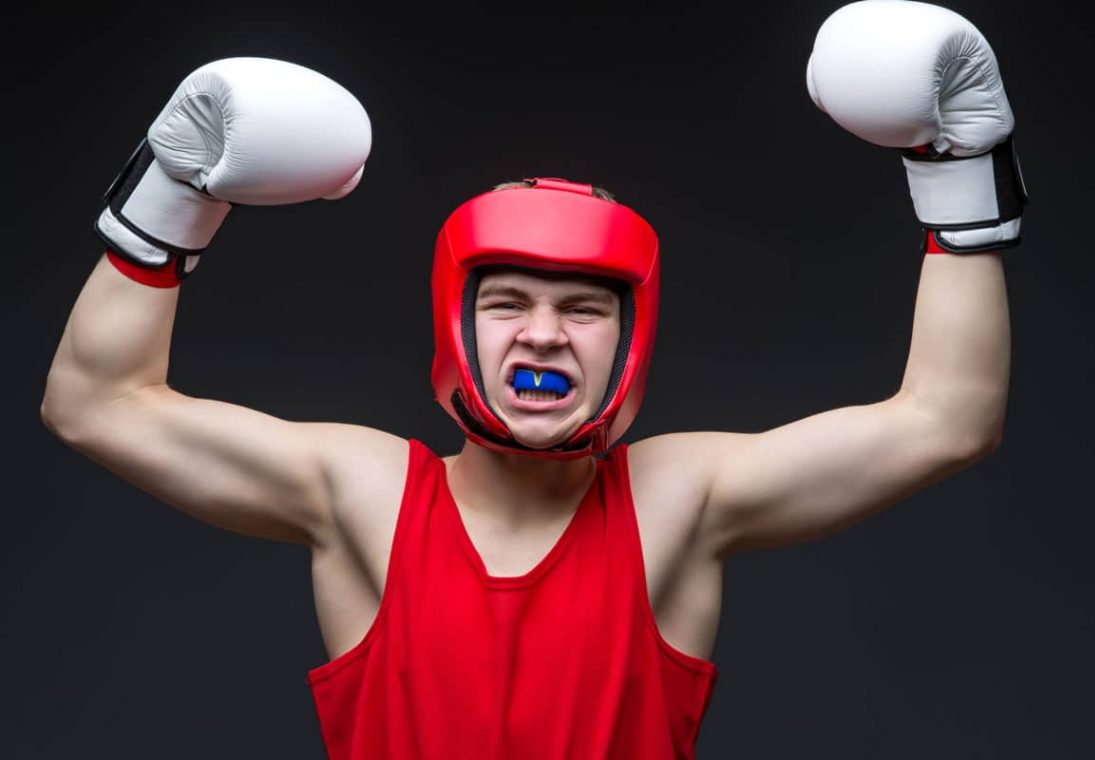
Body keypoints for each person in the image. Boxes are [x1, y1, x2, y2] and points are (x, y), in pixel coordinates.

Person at [39, 2, 1023, 758]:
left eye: (584, 309)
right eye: (507, 301)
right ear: (455, 322)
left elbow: (946, 418)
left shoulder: (679, 499)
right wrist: (169, 201)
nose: (545, 336)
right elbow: (95, 404)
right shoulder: (368, 494)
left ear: (630, 334)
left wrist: (960, 172)